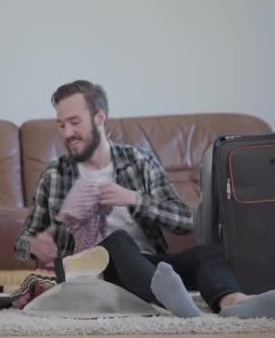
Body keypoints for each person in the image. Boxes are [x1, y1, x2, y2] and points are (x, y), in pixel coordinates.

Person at [14, 79, 275, 319]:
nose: (67, 132)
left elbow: (184, 220)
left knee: (207, 254)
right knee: (117, 242)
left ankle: (234, 303)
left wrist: (135, 199)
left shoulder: (138, 162)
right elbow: (24, 240)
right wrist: (34, 246)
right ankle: (171, 302)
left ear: (99, 118)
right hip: (92, 273)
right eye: (61, 124)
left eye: (74, 122)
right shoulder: (54, 174)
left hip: (149, 267)